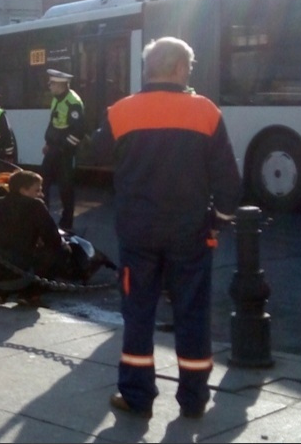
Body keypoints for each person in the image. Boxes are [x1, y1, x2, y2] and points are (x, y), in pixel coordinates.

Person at [90, 37, 241, 420]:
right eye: (188, 66)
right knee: (192, 313)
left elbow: (92, 154)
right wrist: (220, 219)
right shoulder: (205, 112)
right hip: (190, 232)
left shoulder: (121, 112)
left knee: (137, 314)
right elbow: (228, 181)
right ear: (177, 68)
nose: (189, 72)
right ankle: (193, 400)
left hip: (137, 231)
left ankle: (137, 397)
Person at [0, 170, 70, 305]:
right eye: (37, 191)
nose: (41, 195)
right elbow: (53, 239)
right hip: (17, 276)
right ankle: (30, 294)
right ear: (23, 190)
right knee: (63, 250)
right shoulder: (35, 205)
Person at [41, 69, 85, 230]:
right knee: (42, 183)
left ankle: (67, 223)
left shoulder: (72, 102)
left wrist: (63, 148)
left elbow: (78, 131)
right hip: (53, 148)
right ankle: (43, 217)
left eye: (51, 83)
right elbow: (54, 122)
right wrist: (48, 143)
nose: (49, 86)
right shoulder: (57, 99)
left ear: (60, 85)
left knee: (65, 187)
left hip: (63, 152)